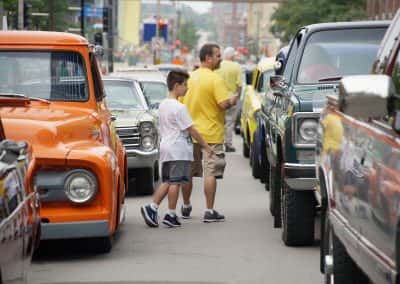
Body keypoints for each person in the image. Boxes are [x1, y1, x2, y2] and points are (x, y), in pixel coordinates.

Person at [141, 69, 213, 228]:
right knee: (175, 182)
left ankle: (152, 207)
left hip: (166, 148)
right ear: (176, 85)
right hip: (178, 150)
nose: (187, 88)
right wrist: (206, 146)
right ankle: (170, 213)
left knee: (167, 181)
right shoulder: (179, 108)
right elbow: (191, 129)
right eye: (185, 85)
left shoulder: (163, 105)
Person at [180, 43, 239, 222]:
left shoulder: (189, 78)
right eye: (218, 55)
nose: (220, 59)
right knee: (210, 173)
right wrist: (232, 100)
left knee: (188, 172)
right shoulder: (215, 79)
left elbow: (181, 104)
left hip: (190, 133)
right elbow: (223, 104)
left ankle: (186, 205)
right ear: (208, 58)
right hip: (212, 134)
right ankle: (209, 210)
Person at [215, 47, 242, 152]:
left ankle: (218, 143)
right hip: (231, 97)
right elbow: (239, 84)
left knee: (219, 121)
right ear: (232, 56)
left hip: (219, 97)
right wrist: (237, 96)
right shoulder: (237, 67)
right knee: (229, 122)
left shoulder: (218, 65)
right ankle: (228, 144)